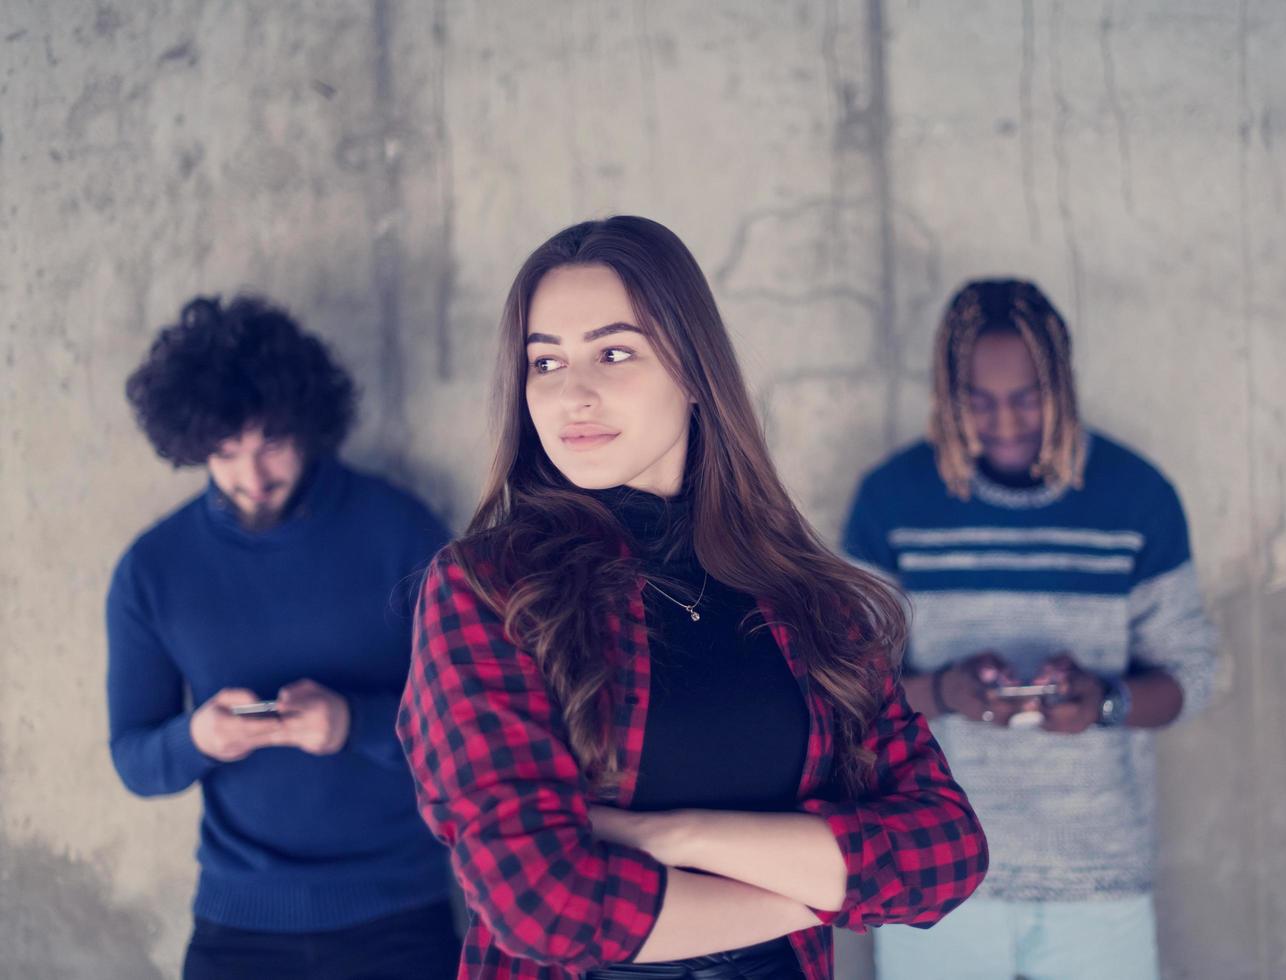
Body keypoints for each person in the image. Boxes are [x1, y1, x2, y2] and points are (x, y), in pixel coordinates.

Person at [396, 215, 987, 980]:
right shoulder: (486, 589)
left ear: (693, 371)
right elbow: (539, 903)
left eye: (614, 353)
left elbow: (948, 851)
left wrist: (681, 838)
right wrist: (824, 890)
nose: (573, 393)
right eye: (545, 364)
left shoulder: (804, 596)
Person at [843, 279, 1218, 980]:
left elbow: (1190, 675)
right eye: (977, 401)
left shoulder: (1137, 496)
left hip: (1096, 876)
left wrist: (1103, 700)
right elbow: (847, 690)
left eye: (1028, 396)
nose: (1006, 423)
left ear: (1064, 385)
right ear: (944, 395)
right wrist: (947, 690)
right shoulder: (890, 501)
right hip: (931, 869)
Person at [106, 295, 460, 979]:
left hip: (398, 917)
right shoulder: (153, 570)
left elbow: (468, 732)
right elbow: (133, 758)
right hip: (236, 924)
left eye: (271, 442)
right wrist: (198, 740)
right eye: (225, 452)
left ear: (308, 424)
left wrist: (353, 723)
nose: (252, 477)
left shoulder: (403, 533)